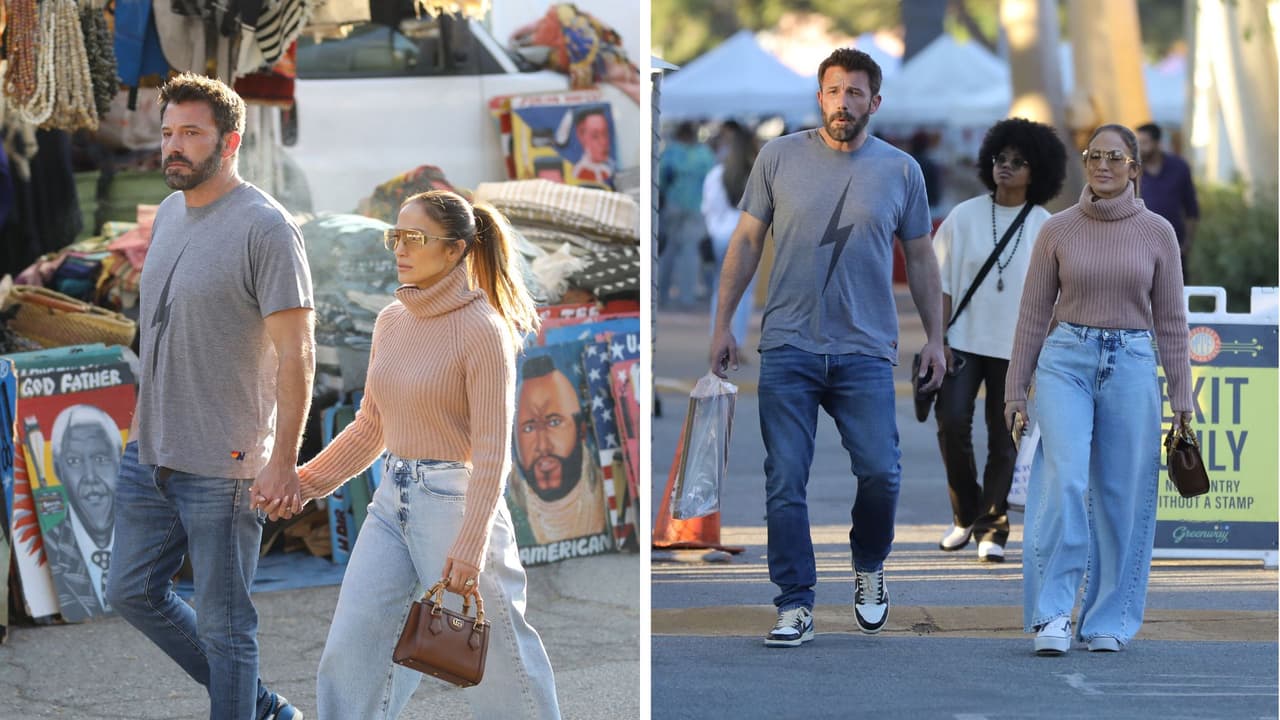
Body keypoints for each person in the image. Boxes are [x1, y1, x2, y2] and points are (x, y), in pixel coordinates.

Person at [709, 47, 946, 648]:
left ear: (875, 102)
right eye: (834, 90)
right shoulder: (778, 157)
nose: (844, 102)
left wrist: (936, 339)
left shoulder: (901, 171)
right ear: (820, 96)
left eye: (856, 92)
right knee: (785, 481)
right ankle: (795, 602)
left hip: (866, 351)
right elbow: (744, 244)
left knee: (881, 474)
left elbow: (920, 257)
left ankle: (869, 564)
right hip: (788, 347)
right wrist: (723, 326)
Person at [296, 190, 560, 718]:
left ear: (456, 249)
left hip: (457, 505)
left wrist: (469, 545)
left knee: (500, 668)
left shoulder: (484, 330)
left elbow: (491, 455)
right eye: (396, 236)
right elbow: (372, 425)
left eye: (414, 238)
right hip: (391, 500)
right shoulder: (391, 321)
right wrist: (302, 485)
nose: (400, 248)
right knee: (350, 653)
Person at [105, 72, 312, 720]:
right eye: (168, 133)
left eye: (191, 133)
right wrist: (139, 436)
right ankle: (261, 708)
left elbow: (297, 351)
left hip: (225, 464)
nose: (174, 146)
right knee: (131, 590)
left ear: (230, 141)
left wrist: (281, 462)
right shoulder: (168, 212)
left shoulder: (267, 229)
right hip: (153, 450)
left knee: (227, 627)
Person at [1004, 123, 1192, 655]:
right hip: (1067, 359)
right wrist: (1015, 387)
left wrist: (1183, 399)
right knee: (1062, 482)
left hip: (1133, 361)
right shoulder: (1058, 230)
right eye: (1093, 156)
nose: (1102, 166)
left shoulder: (1157, 232)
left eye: (1114, 157)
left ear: (1134, 166)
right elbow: (1034, 312)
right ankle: (1052, 615)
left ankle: (1108, 618)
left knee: (1120, 495)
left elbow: (1172, 322)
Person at [931, 118, 1067, 562]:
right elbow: (942, 287)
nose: (1005, 168)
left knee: (1004, 438)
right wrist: (938, 338)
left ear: (1037, 171)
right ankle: (965, 513)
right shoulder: (962, 216)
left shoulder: (1046, 225)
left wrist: (1042, 355)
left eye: (1018, 162)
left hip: (1016, 350)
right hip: (963, 342)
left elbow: (1055, 296)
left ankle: (993, 528)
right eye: (1000, 159)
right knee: (952, 424)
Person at [512, 353, 607, 544]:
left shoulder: (610, 505)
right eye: (529, 428)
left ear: (581, 429)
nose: (542, 445)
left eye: (554, 422)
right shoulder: (506, 521)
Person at [50, 404, 124, 612]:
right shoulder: (51, 547)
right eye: (74, 461)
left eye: (101, 459)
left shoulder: (147, 535)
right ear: (58, 470)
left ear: (120, 460)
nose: (90, 478)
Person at [701, 120, 759, 346]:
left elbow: (708, 207)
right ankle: (738, 341)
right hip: (746, 235)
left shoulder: (717, 173)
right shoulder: (755, 173)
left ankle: (716, 338)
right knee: (744, 292)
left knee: (720, 288)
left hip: (720, 235)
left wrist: (714, 229)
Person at [658, 121, 715, 308]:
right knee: (691, 253)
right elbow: (713, 180)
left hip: (674, 204)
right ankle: (687, 296)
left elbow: (660, 178)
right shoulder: (704, 154)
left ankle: (661, 294)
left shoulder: (672, 152)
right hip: (697, 206)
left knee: (668, 251)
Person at [1136, 123, 1199, 281]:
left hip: (1175, 245)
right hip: (1141, 247)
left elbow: (1192, 209)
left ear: (1158, 143)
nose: (1140, 148)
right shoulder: (1132, 170)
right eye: (1137, 143)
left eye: (1144, 143)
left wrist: (1187, 245)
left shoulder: (1179, 167)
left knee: (1177, 294)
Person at [570, 108, 613, 188]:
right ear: (581, 136)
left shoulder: (607, 171)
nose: (603, 142)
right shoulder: (580, 172)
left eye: (605, 134)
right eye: (595, 136)